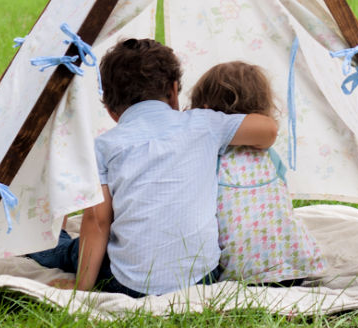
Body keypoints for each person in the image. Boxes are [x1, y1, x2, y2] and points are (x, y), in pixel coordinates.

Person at [28, 38, 277, 296]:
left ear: (112, 110)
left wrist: (82, 287)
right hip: (201, 279)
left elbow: (97, 222)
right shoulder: (205, 125)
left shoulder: (104, 146)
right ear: (173, 89)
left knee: (73, 250)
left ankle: (38, 241)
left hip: (127, 284)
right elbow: (268, 130)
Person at [189, 61, 325, 285]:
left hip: (242, 271)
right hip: (295, 265)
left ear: (204, 109)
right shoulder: (269, 155)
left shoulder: (209, 159)